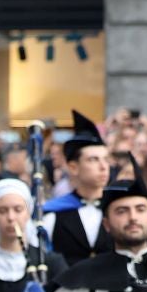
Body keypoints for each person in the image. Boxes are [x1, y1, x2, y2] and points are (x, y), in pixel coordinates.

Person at [38, 112, 112, 266]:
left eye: (106, 159)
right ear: (73, 167)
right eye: (93, 160)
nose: (103, 167)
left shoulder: (117, 209)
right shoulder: (53, 214)